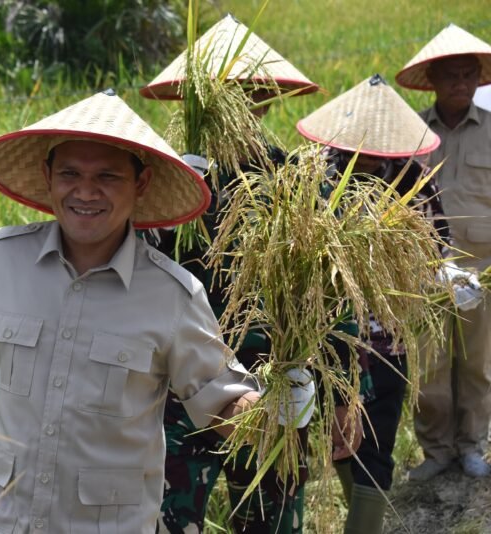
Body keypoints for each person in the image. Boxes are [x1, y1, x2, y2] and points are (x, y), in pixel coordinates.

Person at [0, 90, 261, 533]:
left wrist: (277, 407)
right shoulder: (2, 260)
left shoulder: (172, 294)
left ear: (140, 185)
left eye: (108, 176)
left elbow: (221, 407)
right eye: (69, 173)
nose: (85, 191)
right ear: (48, 177)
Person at [142, 14, 361, 534]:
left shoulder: (302, 186)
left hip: (278, 384)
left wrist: (343, 392)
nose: (239, 104)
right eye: (224, 93)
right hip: (177, 389)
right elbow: (131, 274)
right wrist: (168, 205)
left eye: (250, 94)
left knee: (271, 520)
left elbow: (336, 296)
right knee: (166, 518)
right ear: (198, 101)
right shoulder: (165, 184)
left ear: (264, 101)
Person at [297, 73, 445, 534]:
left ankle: (365, 523)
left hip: (388, 342)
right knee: (339, 438)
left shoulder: (417, 181)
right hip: (329, 341)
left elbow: (441, 246)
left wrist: (415, 268)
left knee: (376, 445)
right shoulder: (317, 176)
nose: (374, 154)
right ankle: (353, 502)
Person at [395, 23, 491, 481]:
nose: (460, 83)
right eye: (450, 75)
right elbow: (392, 201)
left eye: (468, 74)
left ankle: (472, 445)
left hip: (482, 268)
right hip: (423, 270)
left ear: (478, 78)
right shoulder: (410, 135)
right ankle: (436, 450)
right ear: (431, 81)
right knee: (429, 365)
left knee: (476, 363)